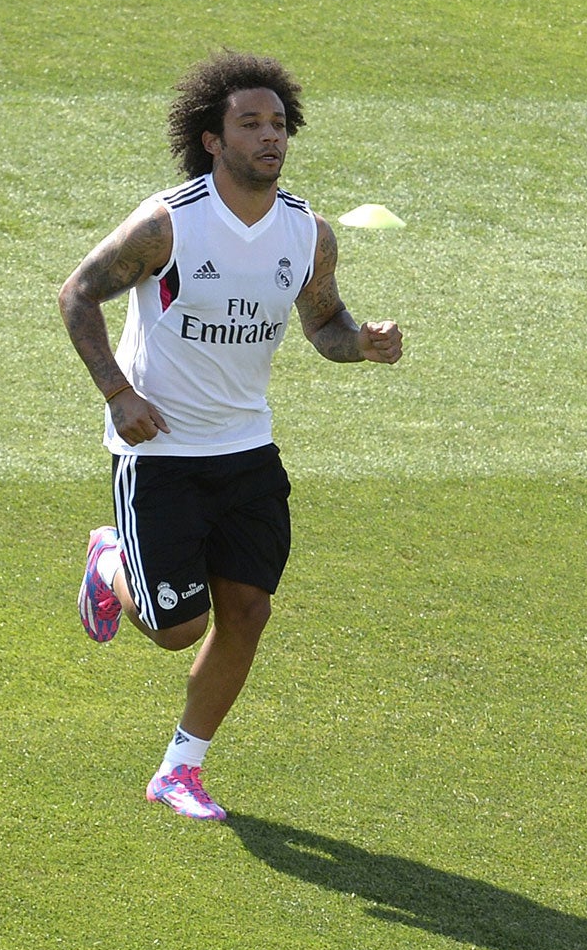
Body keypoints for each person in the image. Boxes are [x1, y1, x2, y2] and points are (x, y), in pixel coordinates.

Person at [60, 52, 404, 820]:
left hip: (248, 452)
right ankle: (109, 561)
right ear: (213, 139)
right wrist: (118, 394)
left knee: (248, 611)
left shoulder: (307, 232)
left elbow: (324, 323)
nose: (268, 137)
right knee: (178, 629)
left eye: (278, 124)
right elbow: (78, 294)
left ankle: (180, 768)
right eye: (249, 124)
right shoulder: (169, 223)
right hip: (161, 455)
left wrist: (363, 344)